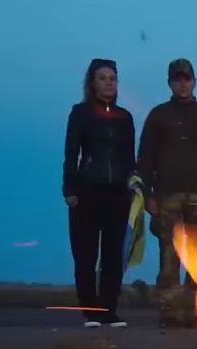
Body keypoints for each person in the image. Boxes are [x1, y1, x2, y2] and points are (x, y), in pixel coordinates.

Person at [135, 58, 197, 327]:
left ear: (194, 81)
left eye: (186, 79)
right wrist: (148, 195)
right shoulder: (159, 116)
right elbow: (144, 159)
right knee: (170, 255)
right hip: (167, 196)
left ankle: (194, 310)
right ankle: (169, 310)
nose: (182, 84)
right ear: (170, 83)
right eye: (177, 79)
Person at [62, 58, 137, 328]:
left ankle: (108, 310)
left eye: (112, 78)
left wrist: (134, 186)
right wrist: (69, 189)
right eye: (102, 78)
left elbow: (130, 157)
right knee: (85, 255)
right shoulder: (81, 113)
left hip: (117, 194)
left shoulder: (124, 118)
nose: (108, 83)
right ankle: (90, 311)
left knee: (113, 256)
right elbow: (72, 153)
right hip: (86, 193)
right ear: (92, 82)